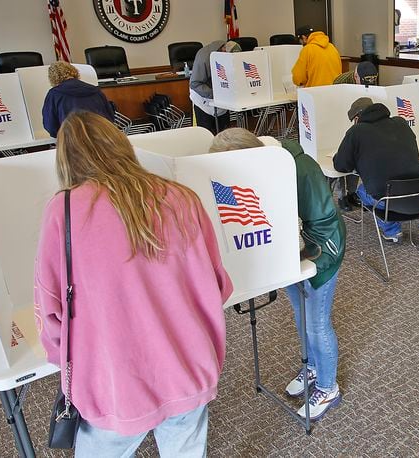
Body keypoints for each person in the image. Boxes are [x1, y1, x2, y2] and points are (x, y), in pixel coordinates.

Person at [34, 112, 233, 456]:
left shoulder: (63, 210)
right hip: (188, 367)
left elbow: (51, 311)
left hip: (114, 381)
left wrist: (66, 363)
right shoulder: (182, 197)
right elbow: (219, 286)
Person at [210, 128, 346, 421]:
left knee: (317, 323)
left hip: (321, 251)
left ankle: (328, 386)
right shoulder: (264, 165)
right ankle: (312, 367)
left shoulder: (301, 168)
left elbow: (323, 223)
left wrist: (304, 260)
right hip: (291, 252)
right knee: (301, 316)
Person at [333, 97, 419, 245]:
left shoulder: (356, 131)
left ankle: (392, 231)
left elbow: (341, 166)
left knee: (362, 190)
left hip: (387, 199)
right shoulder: (401, 122)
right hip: (418, 194)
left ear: (357, 118)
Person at [331, 61, 380, 212]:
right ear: (356, 76)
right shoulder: (340, 82)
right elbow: (334, 104)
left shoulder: (370, 81)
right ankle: (341, 196)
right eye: (362, 81)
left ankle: (352, 194)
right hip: (341, 120)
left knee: (357, 161)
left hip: (360, 123)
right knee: (343, 159)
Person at [41, 61, 114, 138]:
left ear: (53, 78)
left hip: (72, 140)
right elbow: (109, 117)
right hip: (100, 137)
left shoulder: (54, 94)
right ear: (74, 71)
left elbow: (50, 125)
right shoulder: (95, 90)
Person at [190, 40, 241, 134]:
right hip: (203, 102)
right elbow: (195, 83)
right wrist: (217, 94)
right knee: (206, 135)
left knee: (225, 134)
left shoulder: (226, 56)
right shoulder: (203, 57)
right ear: (223, 51)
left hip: (222, 101)